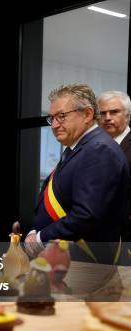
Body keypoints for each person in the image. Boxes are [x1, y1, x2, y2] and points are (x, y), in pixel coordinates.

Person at [26, 84, 128, 263]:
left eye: (62, 116)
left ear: (87, 114)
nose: (55, 125)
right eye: (52, 118)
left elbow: (85, 214)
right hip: (67, 256)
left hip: (87, 259)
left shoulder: (99, 149)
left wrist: (41, 237)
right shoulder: (81, 147)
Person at [98, 90, 131, 241]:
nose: (107, 118)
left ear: (128, 115)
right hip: (95, 236)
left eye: (114, 112)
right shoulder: (93, 148)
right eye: (102, 113)